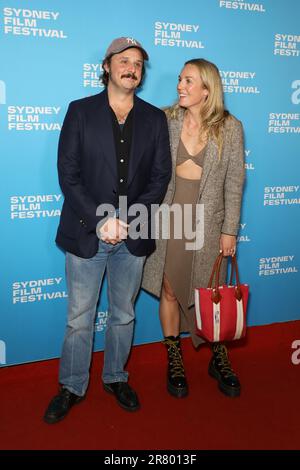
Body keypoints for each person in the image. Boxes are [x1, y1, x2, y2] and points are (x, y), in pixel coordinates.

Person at [44, 37, 171, 423]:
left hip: (133, 233)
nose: (131, 67)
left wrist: (128, 219)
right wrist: (100, 220)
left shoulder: (154, 118)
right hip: (87, 231)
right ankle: (71, 385)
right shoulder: (80, 112)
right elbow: (68, 174)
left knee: (123, 314)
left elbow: (160, 176)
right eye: (124, 60)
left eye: (138, 63)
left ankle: (116, 377)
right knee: (80, 316)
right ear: (107, 66)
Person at [142, 58, 245, 399]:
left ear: (206, 89)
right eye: (180, 79)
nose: (179, 86)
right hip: (169, 218)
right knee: (170, 290)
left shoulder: (230, 128)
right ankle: (174, 356)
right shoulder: (165, 119)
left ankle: (218, 355)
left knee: (208, 291)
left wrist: (230, 231)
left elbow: (234, 183)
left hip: (208, 223)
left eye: (188, 81)